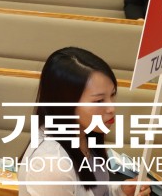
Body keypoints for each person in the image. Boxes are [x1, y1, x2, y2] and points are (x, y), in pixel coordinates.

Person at [18, 47, 151, 196]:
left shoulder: (86, 133)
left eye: (112, 95)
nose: (111, 108)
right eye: (99, 101)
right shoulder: (52, 166)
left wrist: (121, 192)